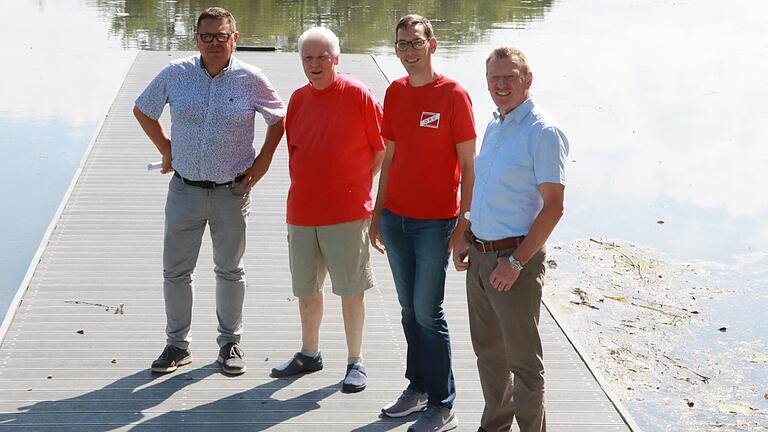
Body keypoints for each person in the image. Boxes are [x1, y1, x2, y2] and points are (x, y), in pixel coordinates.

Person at [133, 6, 286, 376]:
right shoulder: (175, 73)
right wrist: (166, 150)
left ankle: (230, 342)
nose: (215, 43)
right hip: (184, 189)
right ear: (196, 39)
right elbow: (143, 110)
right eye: (207, 36)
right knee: (175, 272)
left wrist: (263, 163)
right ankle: (176, 345)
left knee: (230, 269)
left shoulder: (251, 78)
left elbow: (280, 118)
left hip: (231, 192)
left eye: (222, 36)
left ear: (235, 39)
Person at [453, 47, 569, 432]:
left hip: (513, 261)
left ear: (528, 79)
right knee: (489, 355)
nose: (501, 85)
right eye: (494, 78)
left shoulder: (543, 131)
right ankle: (495, 426)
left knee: (523, 363)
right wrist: (466, 232)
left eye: (510, 77)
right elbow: (485, 187)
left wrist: (516, 262)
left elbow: (553, 207)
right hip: (482, 258)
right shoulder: (495, 124)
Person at [369, 14, 475, 432]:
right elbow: (389, 157)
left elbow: (468, 166)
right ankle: (416, 389)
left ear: (432, 44)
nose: (408, 51)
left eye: (415, 42)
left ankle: (442, 402)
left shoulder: (453, 94)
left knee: (429, 312)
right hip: (396, 219)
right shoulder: (394, 92)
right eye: (401, 45)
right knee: (409, 311)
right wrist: (377, 214)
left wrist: (464, 221)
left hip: (436, 223)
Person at [269, 27, 385, 394]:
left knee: (351, 290)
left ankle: (355, 360)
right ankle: (309, 353)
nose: (315, 64)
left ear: (337, 59)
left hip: (348, 212)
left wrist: (357, 183)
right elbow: (296, 151)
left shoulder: (358, 95)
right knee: (307, 289)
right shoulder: (299, 99)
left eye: (323, 57)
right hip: (302, 211)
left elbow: (381, 148)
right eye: (308, 58)